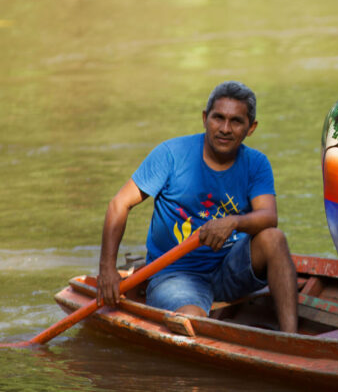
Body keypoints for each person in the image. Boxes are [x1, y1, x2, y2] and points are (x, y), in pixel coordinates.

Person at [97, 81, 297, 332]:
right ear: (205, 118)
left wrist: (233, 222)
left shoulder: (256, 163)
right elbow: (119, 204)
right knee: (191, 322)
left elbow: (269, 216)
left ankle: (292, 337)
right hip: (175, 275)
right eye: (218, 118)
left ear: (251, 128)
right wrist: (107, 269)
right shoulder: (171, 154)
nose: (225, 129)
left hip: (230, 269)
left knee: (274, 238)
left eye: (236, 121)